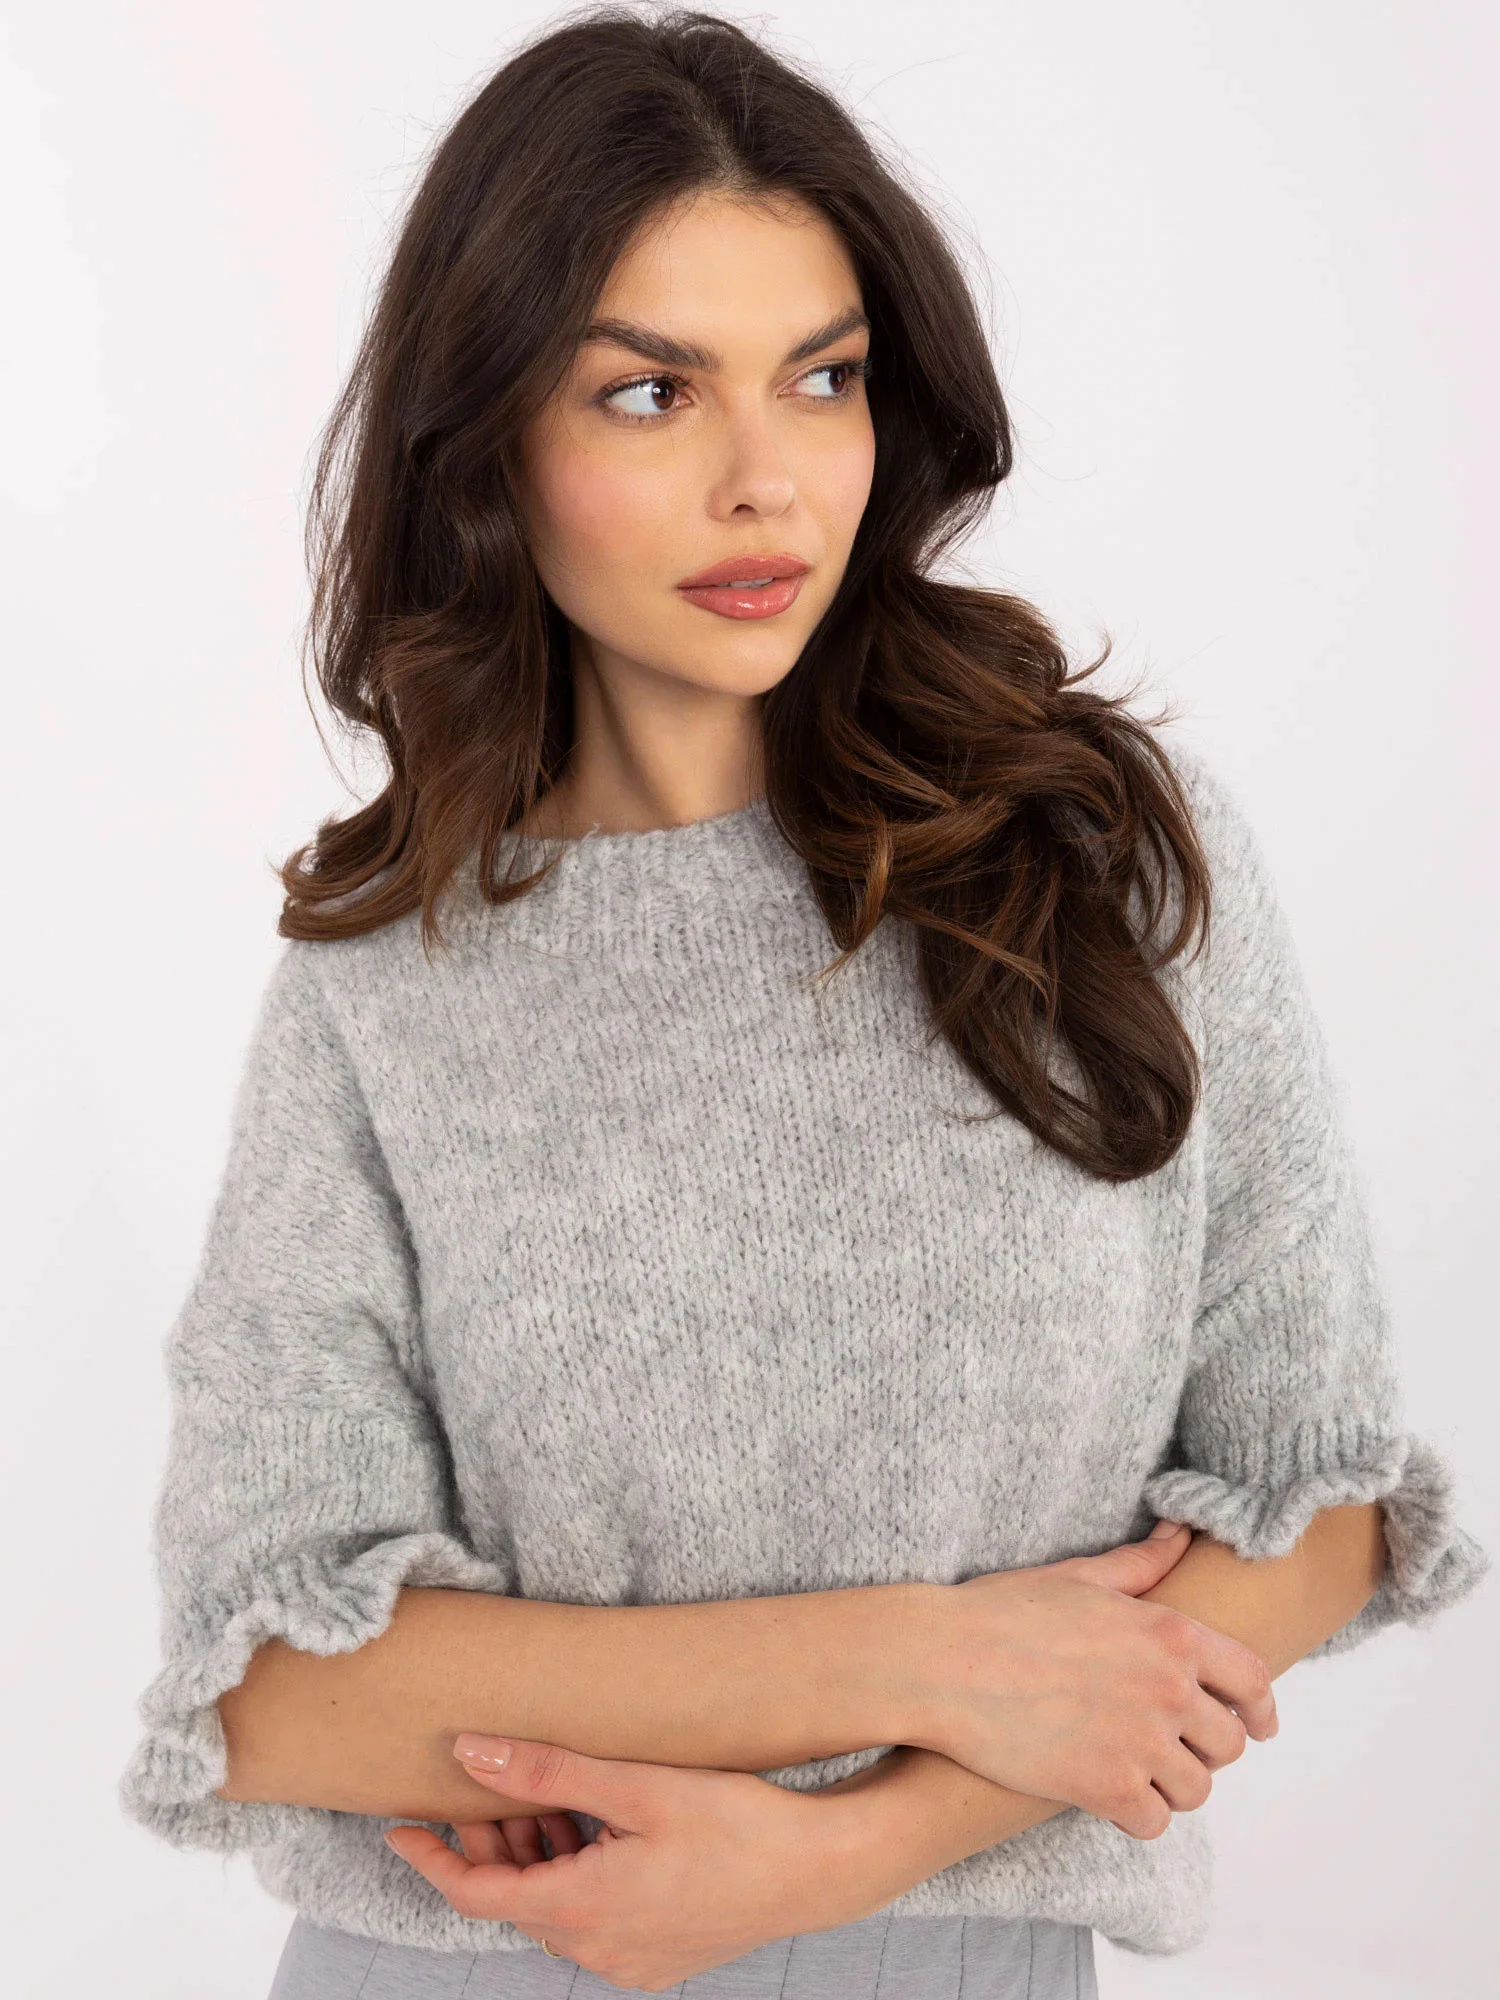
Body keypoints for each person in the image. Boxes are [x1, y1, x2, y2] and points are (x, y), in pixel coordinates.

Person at [117, 9, 1489, 1998]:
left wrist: (847, 1846)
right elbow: (270, 1682)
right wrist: (924, 1654)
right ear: (489, 441)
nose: (767, 481)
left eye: (822, 378)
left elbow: (1322, 1494)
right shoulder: (390, 978)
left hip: (969, 1959)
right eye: (649, 394)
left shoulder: (1102, 856)